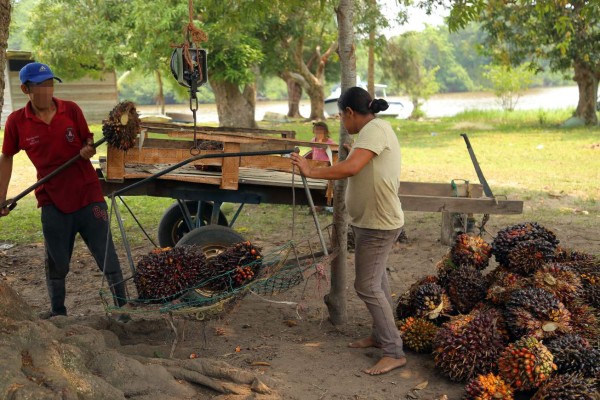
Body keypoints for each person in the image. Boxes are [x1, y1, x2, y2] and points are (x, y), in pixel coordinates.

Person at [290, 86, 405, 375]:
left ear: (350, 113)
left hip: (379, 222)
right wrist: (349, 153)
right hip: (372, 219)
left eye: (341, 116)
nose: (342, 122)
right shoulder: (373, 131)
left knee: (366, 286)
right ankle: (381, 338)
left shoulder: (374, 130)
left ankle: (394, 350)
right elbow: (361, 162)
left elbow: (352, 168)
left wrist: (312, 170)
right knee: (376, 281)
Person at [0, 62, 127, 319]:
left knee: (106, 254)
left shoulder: (71, 110)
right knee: (57, 261)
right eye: (40, 86)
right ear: (25, 89)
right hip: (52, 199)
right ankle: (58, 312)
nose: (47, 91)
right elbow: (7, 157)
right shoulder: (17, 122)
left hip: (88, 195)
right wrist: (1, 199)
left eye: (50, 84)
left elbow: (88, 140)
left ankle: (123, 309)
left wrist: (88, 148)